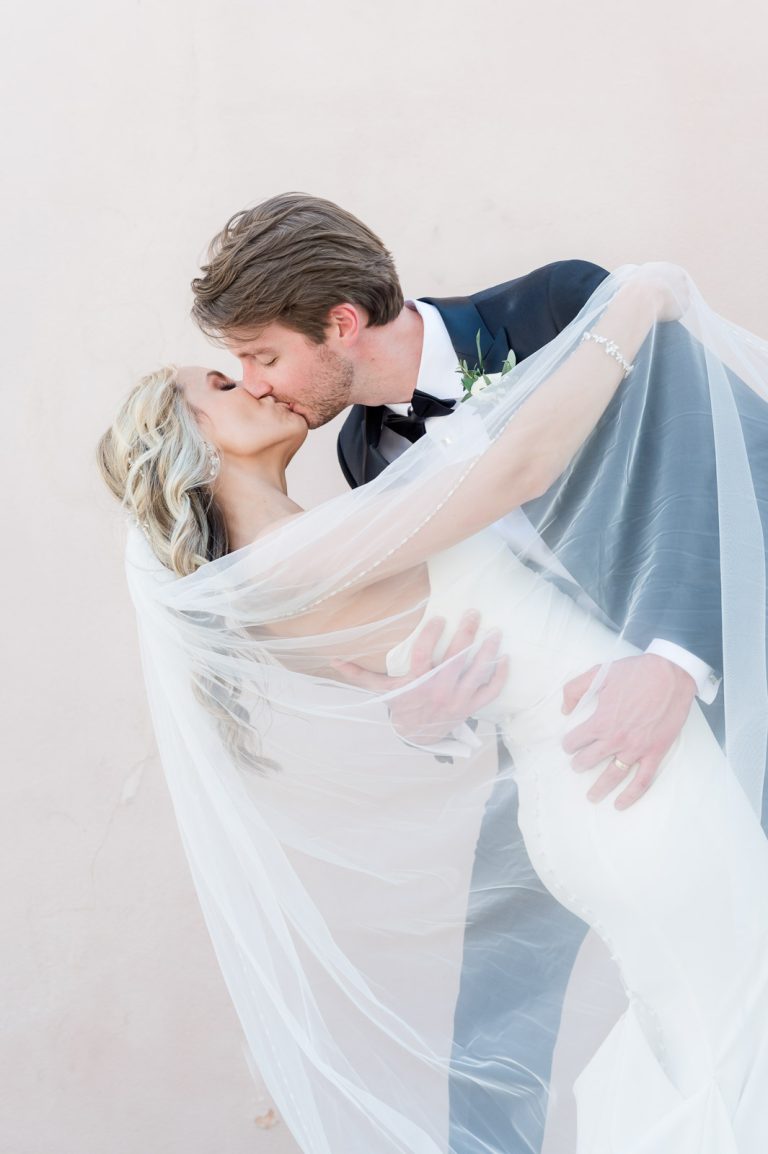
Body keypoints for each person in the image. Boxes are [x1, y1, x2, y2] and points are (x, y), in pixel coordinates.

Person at [99, 262, 768, 1153]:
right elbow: (519, 467)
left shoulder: (289, 556)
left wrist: (428, 716)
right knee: (732, 1034)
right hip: (632, 779)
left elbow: (427, 687)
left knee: (706, 1035)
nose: (254, 381)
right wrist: (640, 301)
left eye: (254, 358)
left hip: (591, 781)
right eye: (225, 380)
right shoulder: (295, 556)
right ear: (190, 437)